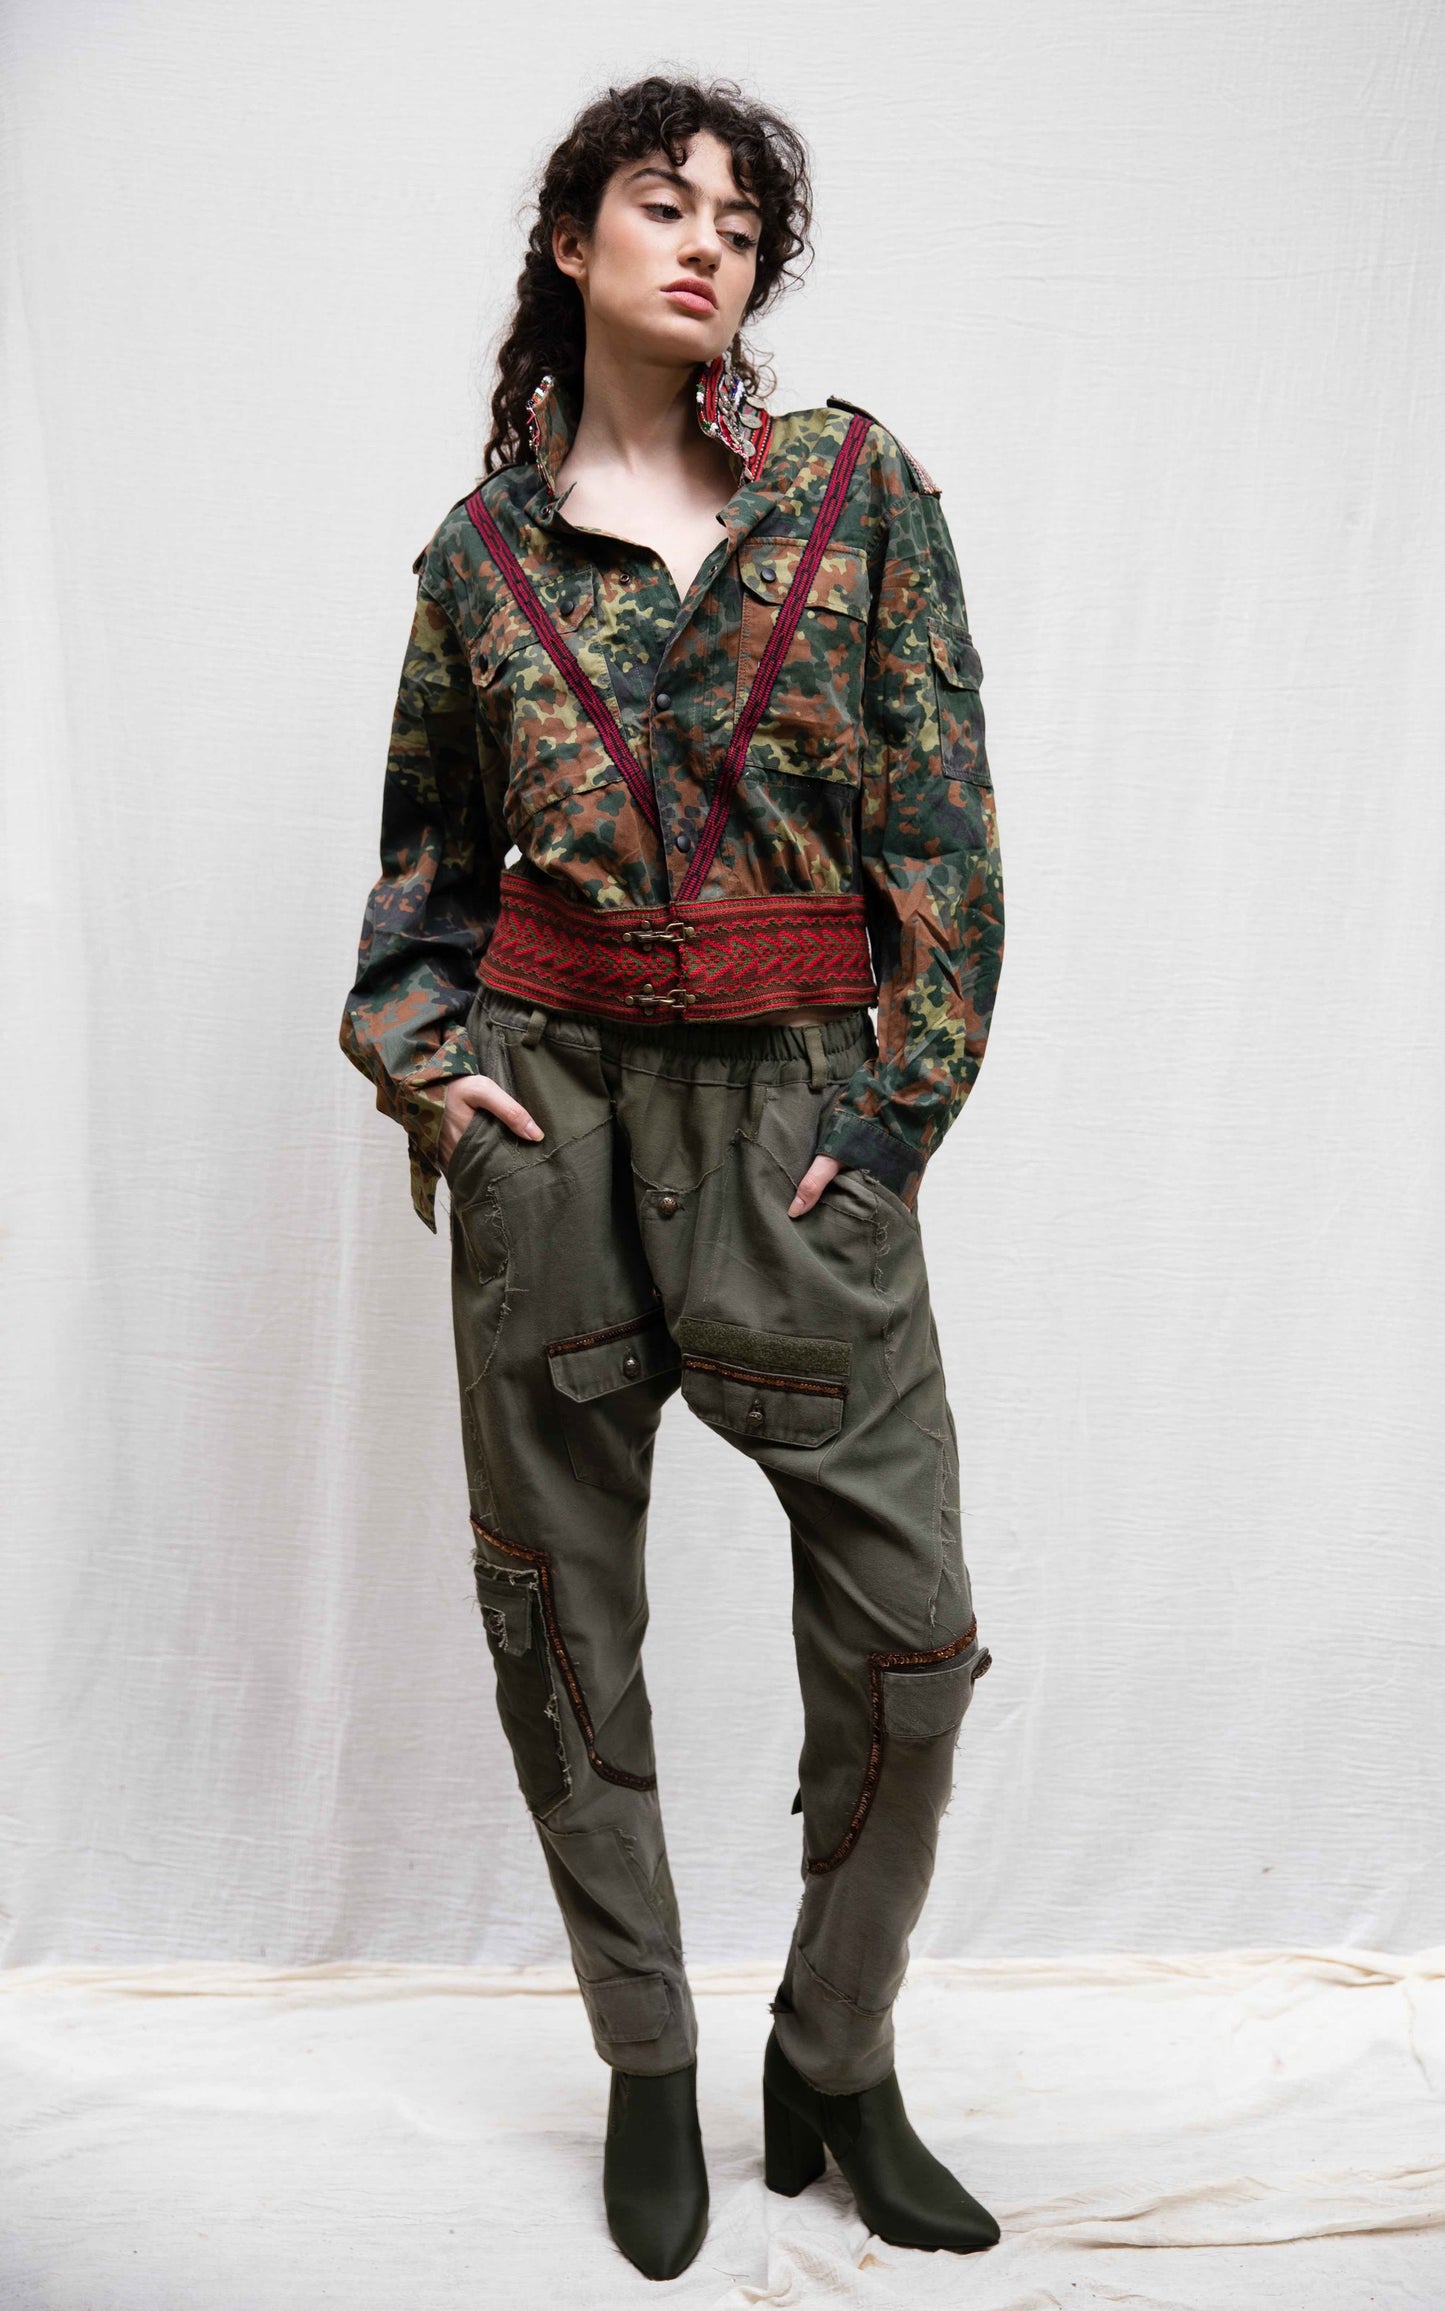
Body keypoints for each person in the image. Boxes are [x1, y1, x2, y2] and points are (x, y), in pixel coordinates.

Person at [339, 72, 1005, 2283]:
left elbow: (943, 840)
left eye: (740, 219)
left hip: (799, 1123)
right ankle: (646, 2060)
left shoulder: (854, 493)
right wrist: (437, 1080)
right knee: (559, 1627)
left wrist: (891, 1119)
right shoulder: (476, 563)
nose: (707, 240)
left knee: (912, 1646)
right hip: (555, 1128)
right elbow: (419, 894)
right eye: (661, 202)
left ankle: (838, 2055)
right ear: (572, 243)